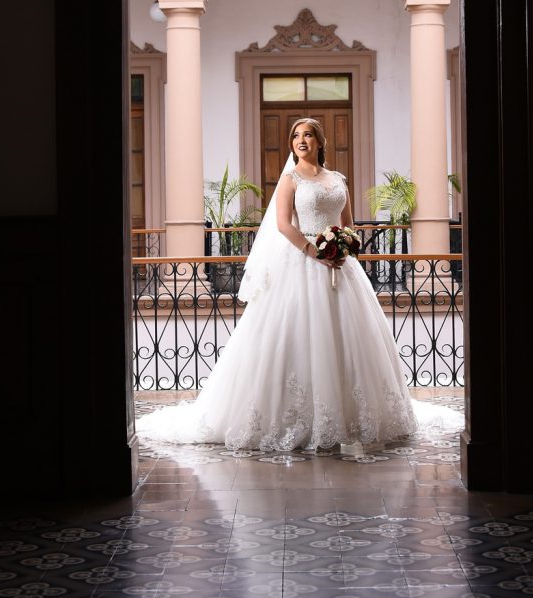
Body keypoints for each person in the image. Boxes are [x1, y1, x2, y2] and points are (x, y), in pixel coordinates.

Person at [136, 118, 463, 450]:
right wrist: (313, 251)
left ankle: (354, 417)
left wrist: (344, 247)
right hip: (301, 262)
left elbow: (348, 224)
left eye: (308, 135)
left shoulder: (338, 179)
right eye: (296, 136)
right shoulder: (290, 180)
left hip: (341, 267)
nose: (301, 140)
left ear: (320, 141)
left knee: (348, 339)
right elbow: (282, 224)